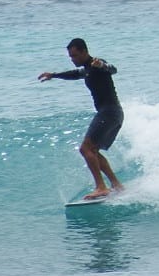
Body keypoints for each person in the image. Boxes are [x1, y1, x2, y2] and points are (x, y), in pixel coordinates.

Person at [38, 38, 124, 200]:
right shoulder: (87, 69)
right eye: (71, 57)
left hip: (109, 112)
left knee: (85, 149)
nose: (72, 59)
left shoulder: (97, 65)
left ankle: (101, 187)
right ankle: (116, 185)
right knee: (93, 151)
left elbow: (113, 69)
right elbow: (75, 74)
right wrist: (54, 75)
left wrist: (102, 65)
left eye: (75, 56)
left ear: (84, 51)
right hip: (113, 113)